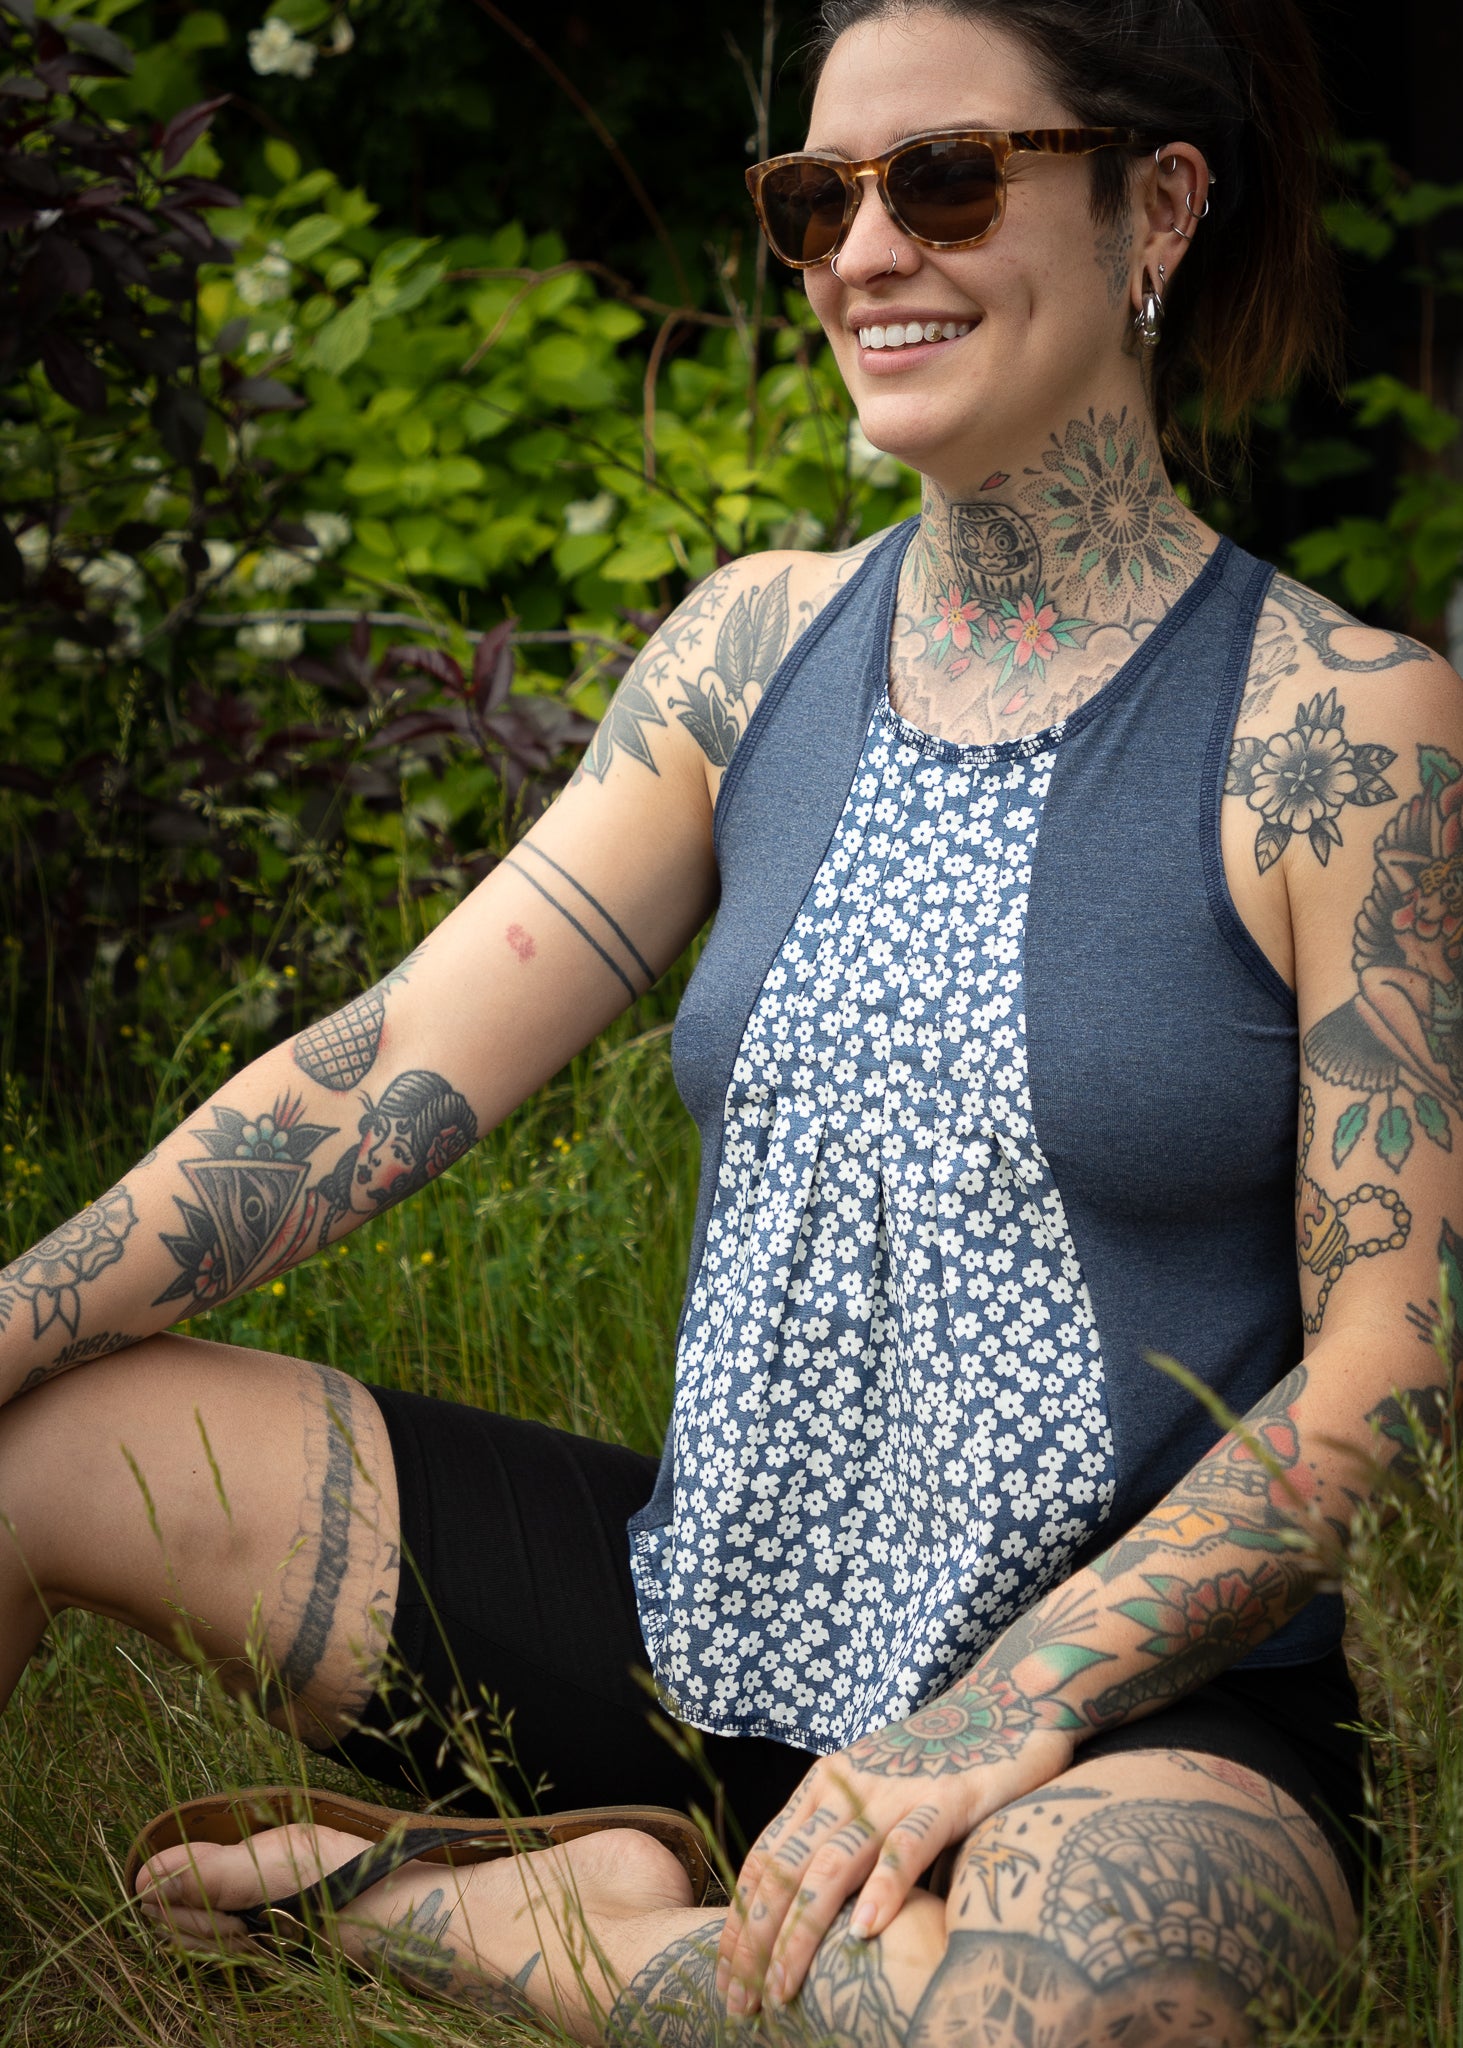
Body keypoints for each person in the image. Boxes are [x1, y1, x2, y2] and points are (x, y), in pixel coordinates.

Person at [3, 0, 1459, 2039]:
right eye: (814, 199)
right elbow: (393, 1066)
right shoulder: (752, 648)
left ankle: (470, 1923)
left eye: (945, 180)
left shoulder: (1343, 732)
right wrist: (10, 1315)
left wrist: (1000, 1712)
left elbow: (1393, 1364)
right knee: (40, 1439)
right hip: (696, 1626)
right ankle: (675, 1878)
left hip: (1131, 1720)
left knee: (1034, 2025)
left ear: (1157, 207)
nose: (865, 251)